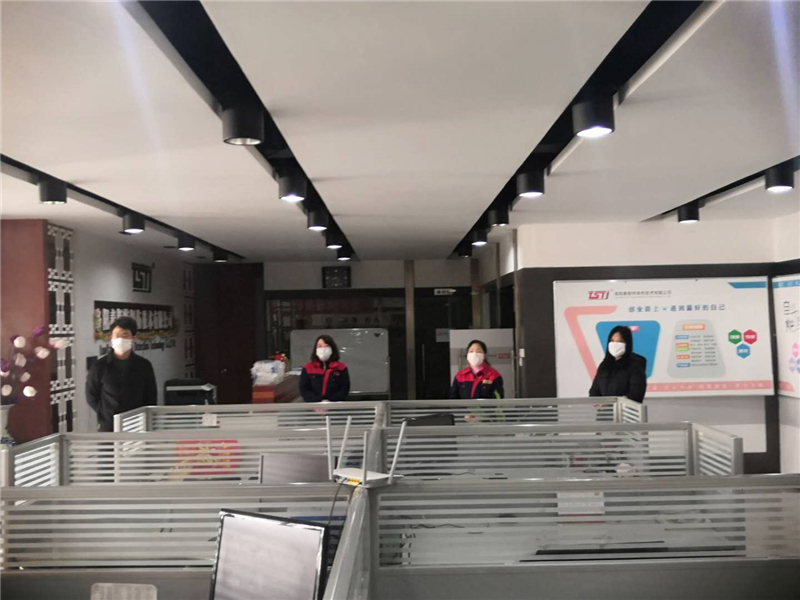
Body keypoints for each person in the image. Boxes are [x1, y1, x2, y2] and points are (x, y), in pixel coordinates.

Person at [86, 316, 158, 431]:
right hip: (109, 427)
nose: (120, 339)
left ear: (133, 338)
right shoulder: (100, 366)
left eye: (125, 335)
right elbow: (91, 395)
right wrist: (105, 412)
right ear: (111, 338)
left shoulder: (144, 366)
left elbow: (151, 396)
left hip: (137, 425)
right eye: (116, 335)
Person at [589, 325, 647, 402]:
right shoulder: (604, 365)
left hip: (626, 409)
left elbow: (636, 395)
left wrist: (615, 404)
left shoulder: (635, 367)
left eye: (620, 341)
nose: (615, 344)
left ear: (627, 344)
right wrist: (599, 403)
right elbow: (594, 390)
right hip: (605, 409)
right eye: (612, 341)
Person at [300, 335, 351, 402]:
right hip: (313, 406)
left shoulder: (341, 367)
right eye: (320, 346)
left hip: (336, 405)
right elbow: (304, 388)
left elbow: (344, 388)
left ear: (332, 349)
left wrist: (331, 402)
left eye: (326, 346)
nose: (323, 349)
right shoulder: (308, 368)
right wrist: (317, 402)